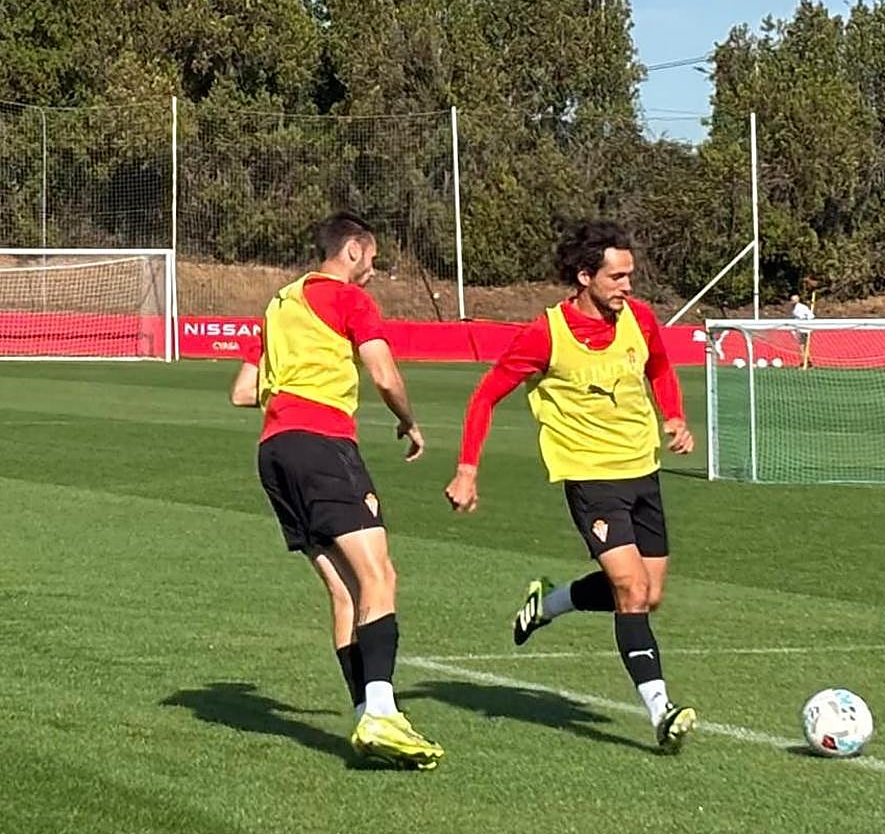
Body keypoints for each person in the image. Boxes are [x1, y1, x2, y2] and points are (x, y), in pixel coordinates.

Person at [444, 219, 698, 753]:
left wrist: (673, 416)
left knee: (649, 596)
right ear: (585, 276)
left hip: (642, 473)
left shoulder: (641, 319)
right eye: (617, 276)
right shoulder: (545, 334)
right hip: (589, 478)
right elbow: (485, 396)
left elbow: (660, 367)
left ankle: (549, 604)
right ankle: (660, 710)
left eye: (630, 275)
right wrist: (467, 468)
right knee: (629, 590)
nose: (628, 286)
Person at [230, 212, 444, 770]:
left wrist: (291, 389)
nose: (373, 270)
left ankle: (365, 719)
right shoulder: (347, 298)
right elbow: (384, 374)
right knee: (380, 576)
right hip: (322, 445)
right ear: (352, 249)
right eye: (371, 258)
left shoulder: (281, 305)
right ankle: (381, 711)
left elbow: (243, 390)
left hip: (274, 452)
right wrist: (409, 421)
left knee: (346, 593)